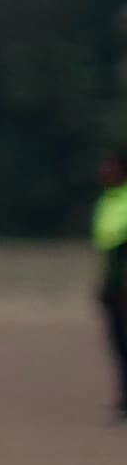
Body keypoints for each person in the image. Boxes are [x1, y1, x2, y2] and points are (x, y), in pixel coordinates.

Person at [94, 145, 127, 422]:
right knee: (118, 345)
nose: (104, 171)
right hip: (113, 283)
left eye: (110, 166)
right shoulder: (108, 200)